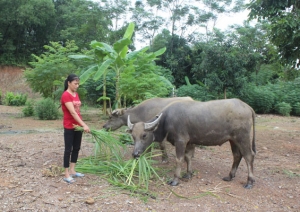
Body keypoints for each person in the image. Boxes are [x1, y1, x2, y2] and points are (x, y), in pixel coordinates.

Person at [61, 73, 90, 183]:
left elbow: (78, 111)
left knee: (77, 148)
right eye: (75, 83)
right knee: (68, 149)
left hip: (78, 126)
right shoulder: (66, 95)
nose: (77, 86)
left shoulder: (75, 94)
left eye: (78, 84)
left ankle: (73, 170)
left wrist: (81, 125)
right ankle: (66, 173)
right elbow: (73, 113)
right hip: (69, 126)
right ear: (69, 83)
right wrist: (84, 125)